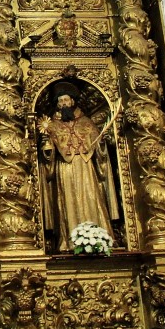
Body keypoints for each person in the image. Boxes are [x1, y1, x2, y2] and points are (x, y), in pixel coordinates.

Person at [40, 82, 116, 252]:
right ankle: (70, 240)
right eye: (60, 101)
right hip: (65, 168)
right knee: (67, 201)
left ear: (72, 101)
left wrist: (101, 144)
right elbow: (48, 156)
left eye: (66, 100)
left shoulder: (86, 122)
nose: (64, 104)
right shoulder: (52, 125)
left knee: (91, 197)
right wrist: (47, 148)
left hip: (85, 166)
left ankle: (98, 237)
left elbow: (99, 150)